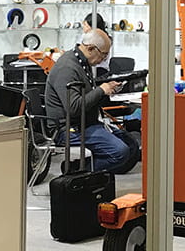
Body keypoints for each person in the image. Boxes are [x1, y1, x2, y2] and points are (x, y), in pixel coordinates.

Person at [45, 28, 141, 174]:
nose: (105, 59)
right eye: (104, 54)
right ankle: (77, 170)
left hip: (87, 122)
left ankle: (93, 170)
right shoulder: (67, 68)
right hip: (69, 128)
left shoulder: (82, 63)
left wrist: (108, 89)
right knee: (119, 151)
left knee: (131, 146)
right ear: (90, 48)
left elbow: (87, 96)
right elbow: (74, 108)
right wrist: (101, 90)